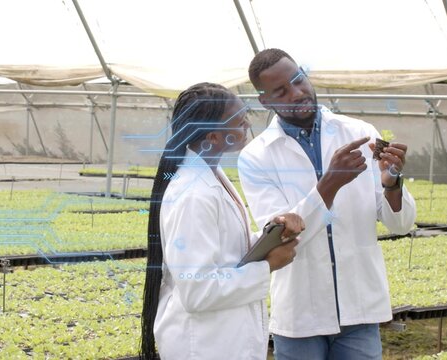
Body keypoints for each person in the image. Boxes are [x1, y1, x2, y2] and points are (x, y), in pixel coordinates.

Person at [238, 49, 417, 360]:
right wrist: (330, 183)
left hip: (360, 308)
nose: (297, 93)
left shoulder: (359, 133)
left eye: (298, 80)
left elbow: (400, 224)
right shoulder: (256, 157)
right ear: (265, 101)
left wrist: (392, 183)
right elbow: (281, 238)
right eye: (281, 90)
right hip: (300, 315)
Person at [140, 82, 305, 360]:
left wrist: (269, 234)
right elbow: (198, 291)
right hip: (203, 346)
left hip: (222, 339)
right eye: (240, 122)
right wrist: (268, 266)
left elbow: (225, 249)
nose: (247, 127)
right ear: (215, 137)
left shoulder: (212, 176)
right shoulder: (195, 195)